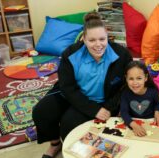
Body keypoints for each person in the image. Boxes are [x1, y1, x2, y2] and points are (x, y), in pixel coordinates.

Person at [32, 11, 132, 158]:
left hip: (101, 100)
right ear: (83, 39)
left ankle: (78, 150)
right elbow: (67, 87)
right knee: (41, 111)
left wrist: (108, 108)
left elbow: (125, 87)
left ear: (107, 37)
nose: (98, 45)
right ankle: (55, 145)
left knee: (69, 125)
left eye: (102, 39)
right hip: (70, 94)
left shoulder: (122, 55)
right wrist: (93, 110)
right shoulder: (70, 54)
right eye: (92, 40)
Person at [120, 61, 159, 137]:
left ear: (145, 78)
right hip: (133, 123)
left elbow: (158, 104)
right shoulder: (125, 93)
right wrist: (133, 125)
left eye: (139, 78)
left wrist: (157, 113)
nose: (135, 83)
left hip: (152, 122)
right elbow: (123, 112)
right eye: (131, 79)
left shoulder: (153, 92)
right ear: (126, 79)